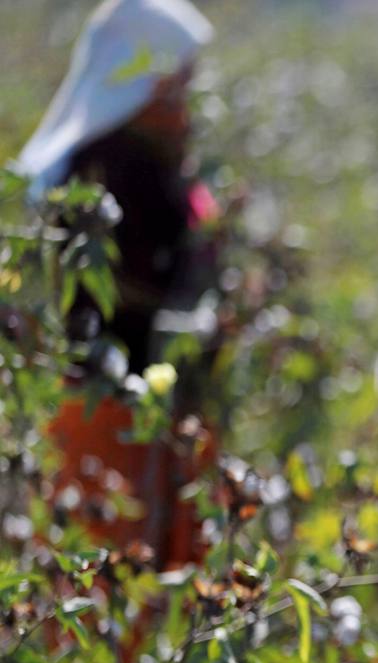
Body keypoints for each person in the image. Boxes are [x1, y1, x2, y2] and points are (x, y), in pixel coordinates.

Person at [17, 0, 219, 567]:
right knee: (102, 565)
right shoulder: (106, 168)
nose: (186, 91)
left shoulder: (140, 157)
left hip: (130, 409)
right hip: (101, 415)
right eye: (178, 76)